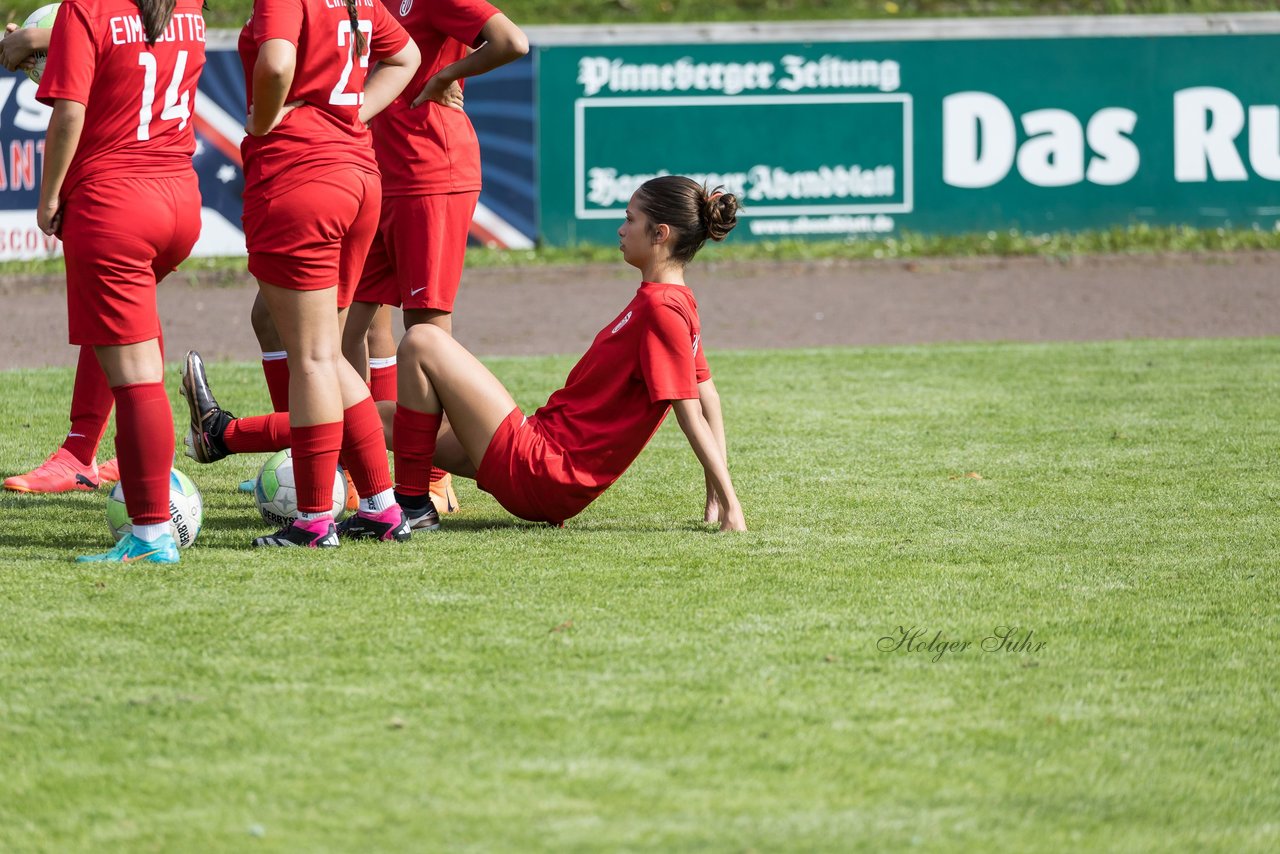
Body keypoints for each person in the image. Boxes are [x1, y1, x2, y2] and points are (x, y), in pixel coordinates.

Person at [186, 176, 747, 531]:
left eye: (631, 219)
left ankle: (409, 502)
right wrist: (714, 496)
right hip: (541, 461)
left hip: (543, 466)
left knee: (424, 340)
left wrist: (730, 505)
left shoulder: (661, 310)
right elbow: (709, 394)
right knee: (372, 418)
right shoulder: (676, 301)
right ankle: (222, 435)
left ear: (662, 235)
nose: (620, 227)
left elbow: (687, 408)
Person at [184, 0, 421, 548]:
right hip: (357, 174)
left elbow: (275, 65)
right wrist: (350, 115)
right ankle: (382, 508)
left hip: (300, 177)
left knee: (312, 358)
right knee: (330, 357)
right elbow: (405, 56)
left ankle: (314, 521)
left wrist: (262, 122)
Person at [34, 0, 206, 562]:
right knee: (134, 356)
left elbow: (69, 113)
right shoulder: (188, 3)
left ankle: (152, 534)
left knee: (136, 382)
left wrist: (50, 196)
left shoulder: (87, 7)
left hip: (116, 202)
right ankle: (99, 463)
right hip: (179, 198)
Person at [345, 0, 529, 516]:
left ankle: (431, 479)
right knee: (338, 334)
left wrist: (449, 71)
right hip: (381, 172)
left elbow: (512, 40)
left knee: (425, 336)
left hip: (432, 173)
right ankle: (361, 471)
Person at [2, 19, 120, 495]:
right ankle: (122, 452)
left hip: (120, 173)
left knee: (112, 316)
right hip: (162, 174)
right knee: (122, 317)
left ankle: (82, 454)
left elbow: (72, 105)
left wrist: (37, 39)